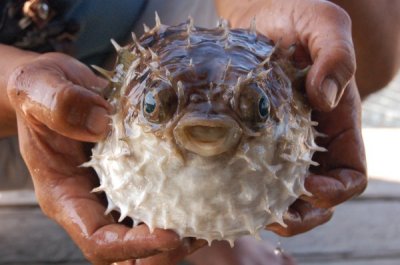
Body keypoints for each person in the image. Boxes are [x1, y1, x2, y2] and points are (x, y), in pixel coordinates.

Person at [0, 0, 399, 264]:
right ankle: (189, 233)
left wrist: (259, 6)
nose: (207, 125)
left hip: (149, 22)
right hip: (29, 112)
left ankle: (205, 234)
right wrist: (13, 86)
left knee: (371, 15)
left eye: (261, 108)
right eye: (156, 107)